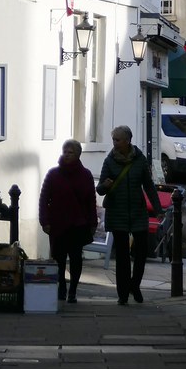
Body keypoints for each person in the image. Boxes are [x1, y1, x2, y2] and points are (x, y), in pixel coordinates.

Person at [96, 126, 162, 305]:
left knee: (141, 252)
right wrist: (105, 185)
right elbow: (100, 189)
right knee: (122, 256)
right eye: (114, 140)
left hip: (138, 211)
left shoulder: (139, 159)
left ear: (127, 141)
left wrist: (158, 209)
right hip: (117, 212)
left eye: (118, 140)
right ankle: (123, 293)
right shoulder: (109, 161)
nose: (115, 143)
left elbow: (148, 186)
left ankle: (135, 285)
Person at [38, 139, 97, 304]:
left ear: (78, 154)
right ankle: (61, 287)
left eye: (70, 152)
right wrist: (44, 221)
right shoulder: (53, 174)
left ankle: (73, 290)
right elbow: (44, 199)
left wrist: (93, 223)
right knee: (58, 259)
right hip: (57, 223)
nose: (66, 155)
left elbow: (91, 200)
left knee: (76, 258)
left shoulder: (86, 175)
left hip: (78, 224)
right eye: (65, 151)